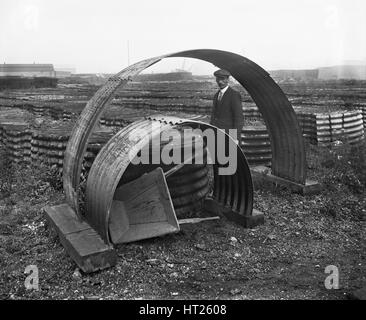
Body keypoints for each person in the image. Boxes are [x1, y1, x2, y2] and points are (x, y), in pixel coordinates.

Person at [210, 69, 244, 143]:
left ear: (228, 79)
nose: (220, 81)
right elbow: (214, 116)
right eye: (218, 79)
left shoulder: (234, 95)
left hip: (230, 137)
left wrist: (235, 138)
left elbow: (239, 118)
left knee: (230, 154)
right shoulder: (216, 95)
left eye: (222, 79)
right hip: (217, 136)